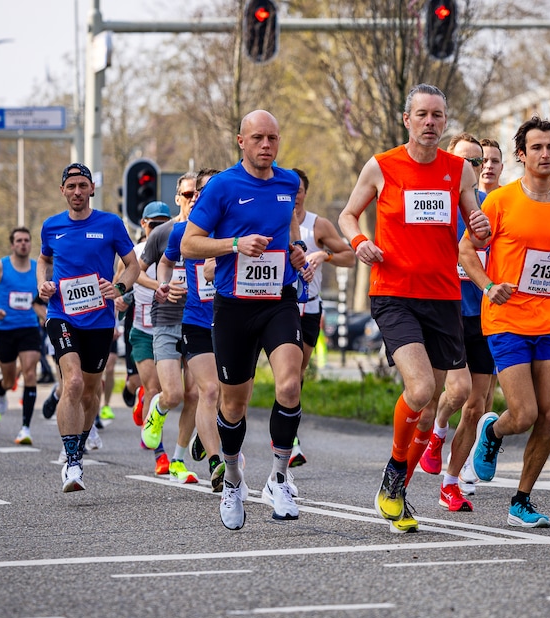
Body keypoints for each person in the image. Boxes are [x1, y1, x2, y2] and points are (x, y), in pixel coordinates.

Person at [338, 84, 492, 533]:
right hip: (394, 293)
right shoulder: (382, 165)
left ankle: (396, 492)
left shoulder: (458, 170)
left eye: (438, 116)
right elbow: (349, 215)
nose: (430, 122)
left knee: (428, 410)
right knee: (422, 389)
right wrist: (361, 242)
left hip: (443, 297)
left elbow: (473, 228)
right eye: (422, 115)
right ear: (407, 120)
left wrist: (479, 224)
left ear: (445, 123)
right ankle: (392, 475)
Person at [464, 116, 550, 527]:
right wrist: (489, 286)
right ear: (521, 156)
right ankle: (491, 433)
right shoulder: (499, 201)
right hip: (507, 319)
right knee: (522, 414)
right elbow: (466, 251)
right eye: (537, 148)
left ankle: (521, 500)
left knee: (549, 415)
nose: (545, 155)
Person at [178, 110, 306, 530]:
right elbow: (191, 244)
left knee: (289, 383)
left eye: (272, 137)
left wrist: (296, 250)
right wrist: (234, 244)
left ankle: (279, 478)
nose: (266, 145)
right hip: (233, 305)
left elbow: (289, 230)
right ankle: (233, 479)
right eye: (257, 138)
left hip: (278, 299)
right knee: (233, 405)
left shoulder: (288, 183)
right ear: (241, 142)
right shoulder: (222, 186)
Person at [39, 162, 139, 492]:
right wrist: (44, 284)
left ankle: (78, 448)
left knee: (92, 391)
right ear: (63, 191)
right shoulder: (51, 226)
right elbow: (44, 259)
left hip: (99, 319)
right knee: (74, 382)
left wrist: (120, 288)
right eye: (72, 187)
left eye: (83, 186)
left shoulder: (110, 224)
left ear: (92, 188)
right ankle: (72, 462)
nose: (78, 192)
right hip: (62, 315)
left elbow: (132, 265)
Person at [413, 132, 493, 512]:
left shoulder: (491, 208)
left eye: (477, 162)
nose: (474, 168)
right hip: (445, 311)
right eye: (466, 161)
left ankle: (451, 482)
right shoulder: (436, 205)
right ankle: (434, 434)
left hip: (486, 314)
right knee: (437, 399)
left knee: (476, 405)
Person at [160, 168, 228, 492]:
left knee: (229, 397)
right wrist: (166, 282)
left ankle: (207, 431)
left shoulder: (235, 230)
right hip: (196, 322)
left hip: (230, 320)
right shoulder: (183, 231)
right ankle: (216, 463)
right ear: (199, 195)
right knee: (209, 390)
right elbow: (164, 261)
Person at [288, 167, 356, 467]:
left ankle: (289, 436)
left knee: (296, 375)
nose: (294, 193)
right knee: (283, 374)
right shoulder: (271, 217)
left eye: (299, 188)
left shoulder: (318, 225)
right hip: (279, 305)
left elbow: (350, 257)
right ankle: (288, 440)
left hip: (309, 307)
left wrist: (323, 255)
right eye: (289, 187)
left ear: (305, 191)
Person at [140, 185, 201, 484]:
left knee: (195, 394)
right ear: (177, 198)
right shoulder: (163, 233)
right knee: (174, 394)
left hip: (198, 321)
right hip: (165, 319)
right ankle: (157, 408)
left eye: (197, 194)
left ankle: (177, 458)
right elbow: (134, 270)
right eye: (187, 194)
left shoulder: (210, 232)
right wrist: (158, 287)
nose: (193, 199)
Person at [127, 201, 191, 478]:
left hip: (180, 321)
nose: (157, 228)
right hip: (145, 329)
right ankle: (160, 454)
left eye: (162, 221)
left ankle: (185, 452)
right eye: (152, 223)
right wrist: (158, 287)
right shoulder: (137, 252)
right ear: (144, 225)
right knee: (155, 387)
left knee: (192, 392)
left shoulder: (190, 237)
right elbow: (126, 279)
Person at [0, 227, 43, 445]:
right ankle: (1, 390)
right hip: (4, 329)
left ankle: (25, 428)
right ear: (12, 244)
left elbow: (40, 297)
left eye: (27, 240)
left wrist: (43, 314)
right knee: (8, 380)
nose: (23, 244)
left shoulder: (38, 268)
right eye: (19, 240)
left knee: (29, 373)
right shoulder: (0, 267)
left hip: (28, 328)